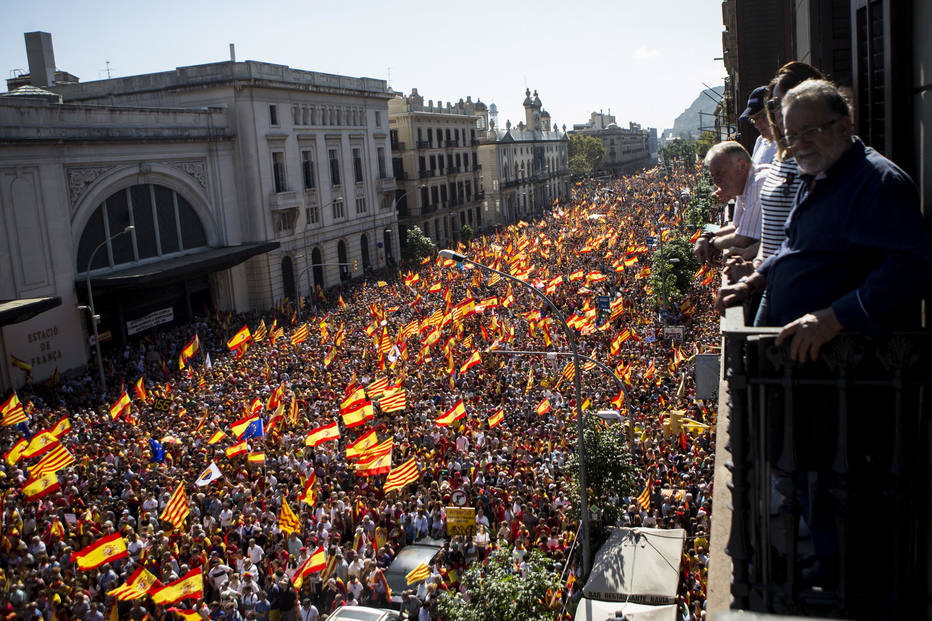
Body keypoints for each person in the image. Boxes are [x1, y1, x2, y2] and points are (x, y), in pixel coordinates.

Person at [718, 78, 932, 360]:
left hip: (845, 365)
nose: (799, 144)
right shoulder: (814, 176)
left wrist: (834, 318)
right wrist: (753, 282)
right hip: (794, 357)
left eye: (810, 131)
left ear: (844, 125)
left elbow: (912, 268)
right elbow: (791, 246)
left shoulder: (879, 181)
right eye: (792, 135)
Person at [694, 141, 768, 262]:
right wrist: (707, 236)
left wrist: (712, 244)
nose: (716, 182)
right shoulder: (743, 185)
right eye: (713, 176)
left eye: (720, 173)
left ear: (741, 166)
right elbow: (736, 226)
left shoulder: (758, 182)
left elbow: (744, 238)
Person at [739, 85, 777, 166]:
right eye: (753, 119)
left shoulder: (786, 146)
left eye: (761, 116)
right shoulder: (760, 141)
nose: (757, 124)